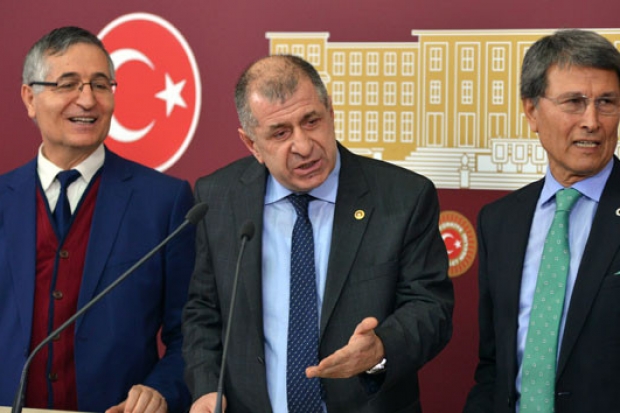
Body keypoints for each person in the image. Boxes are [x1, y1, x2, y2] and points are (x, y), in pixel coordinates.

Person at [182, 54, 454, 413]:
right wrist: (205, 388)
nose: (304, 146)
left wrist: (380, 349)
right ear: (251, 144)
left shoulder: (402, 198)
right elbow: (203, 310)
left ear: (331, 112)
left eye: (311, 121)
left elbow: (431, 308)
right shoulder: (218, 197)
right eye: (280, 133)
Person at [0, 26, 195, 413]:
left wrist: (161, 390)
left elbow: (193, 334)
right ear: (30, 98)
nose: (88, 100)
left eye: (101, 85)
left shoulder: (164, 202)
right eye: (68, 84)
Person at [463, 29, 620, 413]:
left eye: (606, 102)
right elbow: (493, 364)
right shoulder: (499, 221)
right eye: (574, 102)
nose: (592, 121)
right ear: (532, 111)